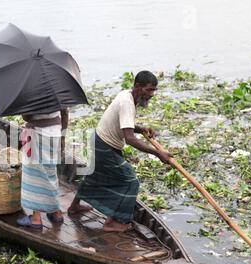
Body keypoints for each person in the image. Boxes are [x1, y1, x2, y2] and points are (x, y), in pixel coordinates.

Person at [67, 71, 172, 232]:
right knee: (130, 181)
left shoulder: (127, 95)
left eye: (154, 90)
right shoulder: (127, 103)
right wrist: (158, 153)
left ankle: (74, 207)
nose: (152, 94)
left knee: (94, 176)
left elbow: (125, 125)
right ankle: (114, 223)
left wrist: (140, 129)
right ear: (138, 87)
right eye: (149, 90)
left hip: (100, 139)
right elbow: (129, 138)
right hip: (104, 145)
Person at [16, 109, 69, 229]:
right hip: (55, 133)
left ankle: (36, 218)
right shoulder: (58, 90)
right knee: (50, 173)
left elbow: (27, 117)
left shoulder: (32, 91)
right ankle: (56, 212)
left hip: (38, 134)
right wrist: (62, 138)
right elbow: (65, 113)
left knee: (36, 176)